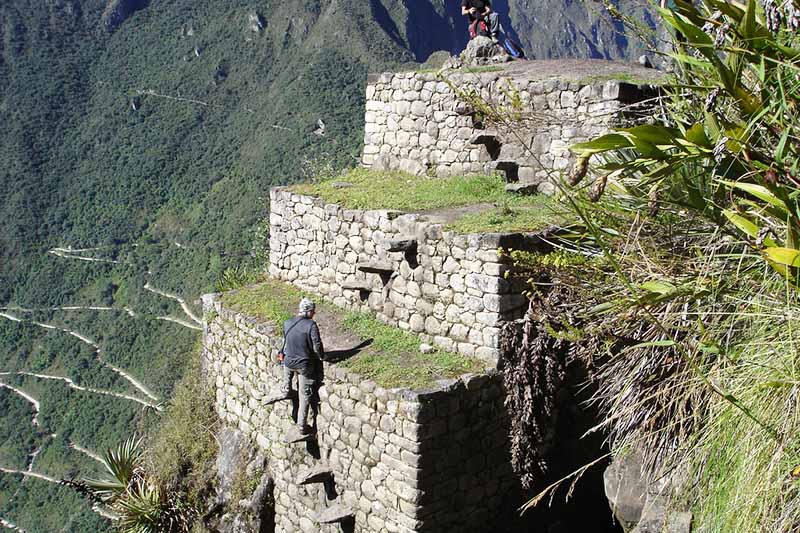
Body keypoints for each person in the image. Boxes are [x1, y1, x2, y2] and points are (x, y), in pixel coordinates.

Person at [281, 297, 325, 436]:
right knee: (304, 396)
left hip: (288, 362)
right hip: (304, 365)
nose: (314, 314)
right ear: (308, 311)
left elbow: (286, 342)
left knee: (288, 371)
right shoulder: (311, 325)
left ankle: (286, 389)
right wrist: (321, 356)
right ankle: (301, 426)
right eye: (313, 311)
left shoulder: (287, 323)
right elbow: (317, 344)